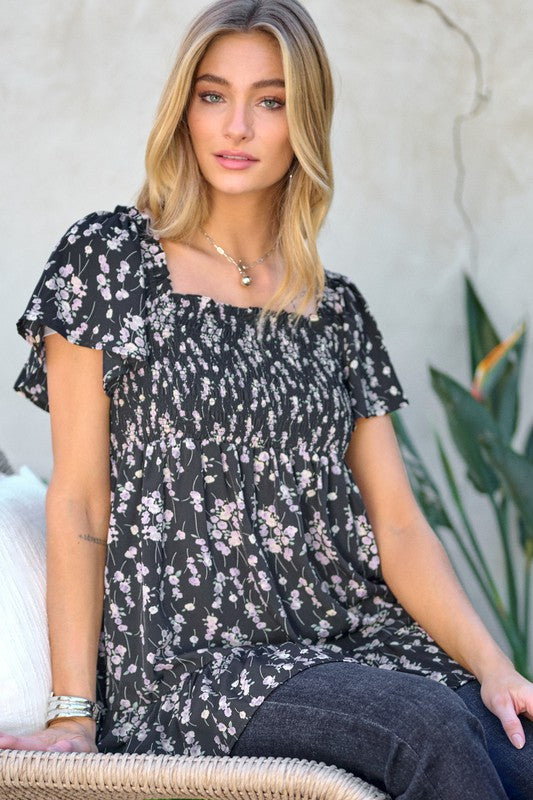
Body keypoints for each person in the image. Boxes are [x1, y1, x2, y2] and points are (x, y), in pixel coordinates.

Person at [2, 1, 532, 798]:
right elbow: (78, 499)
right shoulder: (110, 262)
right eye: (213, 95)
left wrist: (497, 668)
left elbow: (395, 520)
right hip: (194, 668)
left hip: (350, 642)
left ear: (304, 120)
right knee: (420, 730)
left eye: (270, 100)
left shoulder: (337, 310)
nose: (238, 126)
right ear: (184, 109)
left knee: (512, 744)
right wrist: (73, 710)